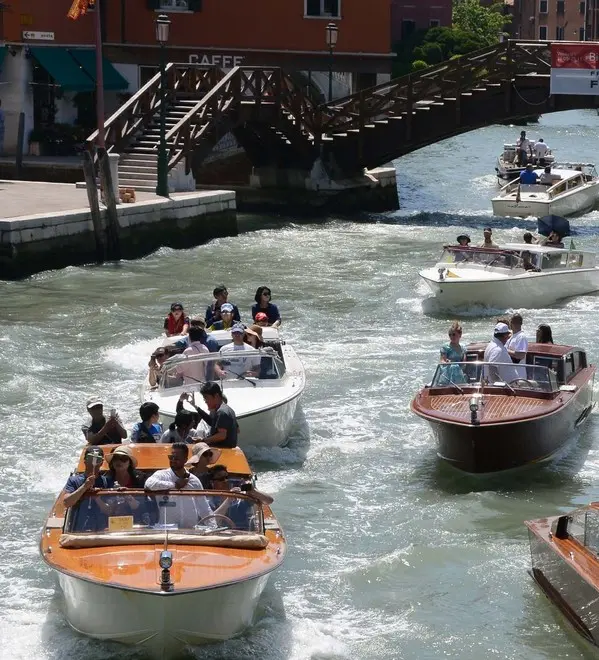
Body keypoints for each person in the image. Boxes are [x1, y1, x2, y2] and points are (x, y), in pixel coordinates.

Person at [144, 442, 216, 528]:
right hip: (166, 533)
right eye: (171, 457)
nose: (173, 460)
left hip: (190, 533)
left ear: (185, 459)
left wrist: (213, 527)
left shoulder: (194, 481)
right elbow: (149, 484)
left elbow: (204, 509)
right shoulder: (162, 475)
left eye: (176, 458)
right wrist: (174, 485)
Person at [207, 464, 273, 529]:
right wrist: (228, 500)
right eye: (221, 479)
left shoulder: (240, 497)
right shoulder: (209, 501)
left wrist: (253, 491)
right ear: (212, 482)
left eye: (226, 477)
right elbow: (212, 522)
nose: (225, 481)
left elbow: (269, 500)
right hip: (221, 535)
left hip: (245, 534)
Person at [197, 382, 239, 448]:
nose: (205, 401)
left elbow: (222, 435)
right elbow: (237, 430)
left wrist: (204, 440)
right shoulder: (229, 409)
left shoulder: (221, 412)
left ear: (216, 396)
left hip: (223, 452)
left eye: (206, 398)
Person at [506, 314, 528, 378]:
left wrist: (504, 350)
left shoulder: (521, 337)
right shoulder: (512, 336)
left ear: (511, 323)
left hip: (518, 376)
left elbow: (520, 355)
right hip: (511, 375)